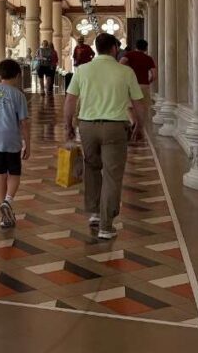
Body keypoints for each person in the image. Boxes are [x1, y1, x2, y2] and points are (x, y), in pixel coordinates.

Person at [64, 32, 146, 240]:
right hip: (115, 128)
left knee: (92, 168)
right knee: (112, 175)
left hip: (88, 127)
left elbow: (70, 100)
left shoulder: (82, 70)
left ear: (96, 48)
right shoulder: (125, 72)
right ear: (113, 49)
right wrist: (140, 124)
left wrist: (68, 125)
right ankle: (106, 225)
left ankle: (94, 213)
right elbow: (138, 102)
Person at [0, 58, 31, 229]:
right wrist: (27, 144)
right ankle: (8, 201)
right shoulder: (18, 95)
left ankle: (4, 215)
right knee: (14, 173)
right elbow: (24, 122)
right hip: (11, 140)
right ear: (18, 75)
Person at [121, 39, 156, 142]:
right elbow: (154, 75)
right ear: (146, 48)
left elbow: (120, 65)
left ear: (136, 46)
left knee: (128, 107)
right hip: (144, 85)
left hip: (131, 85)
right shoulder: (148, 58)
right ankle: (139, 128)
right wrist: (148, 82)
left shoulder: (129, 55)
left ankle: (133, 122)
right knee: (143, 108)